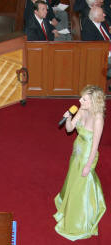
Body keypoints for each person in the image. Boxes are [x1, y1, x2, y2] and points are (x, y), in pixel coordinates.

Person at [54, 85, 106, 241]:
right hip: (77, 151)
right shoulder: (82, 110)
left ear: (93, 102)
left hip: (87, 156)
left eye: (84, 99)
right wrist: (69, 117)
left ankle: (80, 218)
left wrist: (88, 165)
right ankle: (67, 203)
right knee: (73, 178)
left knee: (82, 184)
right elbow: (69, 129)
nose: (79, 100)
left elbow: (95, 146)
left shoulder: (98, 119)